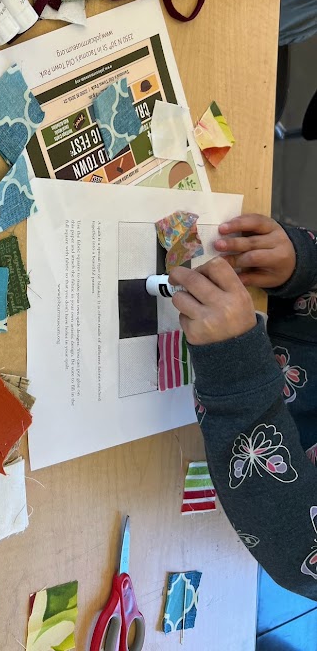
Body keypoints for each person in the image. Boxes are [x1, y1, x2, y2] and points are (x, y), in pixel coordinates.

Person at [169, 215, 317, 598]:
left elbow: (300, 552)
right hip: (252, 309)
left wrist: (235, 368)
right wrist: (305, 262)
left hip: (216, 415)